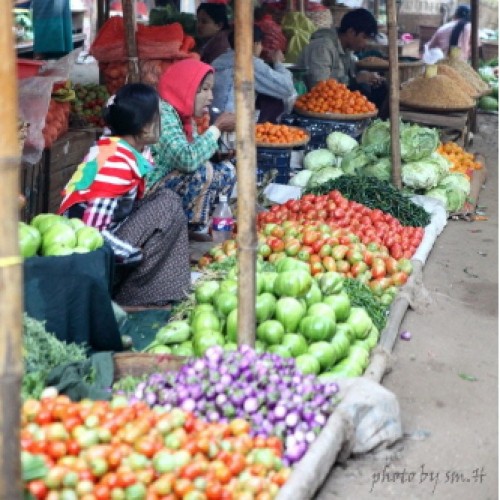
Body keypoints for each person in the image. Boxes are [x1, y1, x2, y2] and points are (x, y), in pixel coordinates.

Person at [59, 83, 190, 308]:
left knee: (164, 198)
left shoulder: (115, 147)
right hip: (86, 262)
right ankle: (132, 298)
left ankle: (161, 289)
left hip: (95, 249)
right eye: (158, 116)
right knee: (167, 205)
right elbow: (91, 234)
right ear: (144, 127)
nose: (163, 123)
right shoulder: (115, 164)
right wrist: (133, 255)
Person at [147, 58, 236, 240]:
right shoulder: (162, 113)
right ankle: (183, 233)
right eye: (204, 89)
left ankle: (204, 226)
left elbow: (194, 148)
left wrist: (215, 154)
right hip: (147, 192)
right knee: (202, 172)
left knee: (227, 169)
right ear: (185, 88)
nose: (211, 97)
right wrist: (216, 128)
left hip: (168, 181)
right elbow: (187, 160)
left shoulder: (183, 116)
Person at [297, 8, 387, 112]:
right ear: (351, 32)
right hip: (315, 105)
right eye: (365, 37)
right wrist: (356, 80)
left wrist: (366, 76)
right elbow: (319, 88)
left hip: (335, 100)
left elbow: (349, 74)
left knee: (379, 89)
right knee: (363, 90)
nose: (366, 43)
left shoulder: (347, 49)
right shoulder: (322, 47)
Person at [211, 25, 296, 123]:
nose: (261, 48)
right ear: (254, 44)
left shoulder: (220, 59)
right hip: (231, 122)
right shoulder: (248, 62)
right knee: (275, 100)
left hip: (213, 118)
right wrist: (278, 63)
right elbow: (286, 88)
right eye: (261, 44)